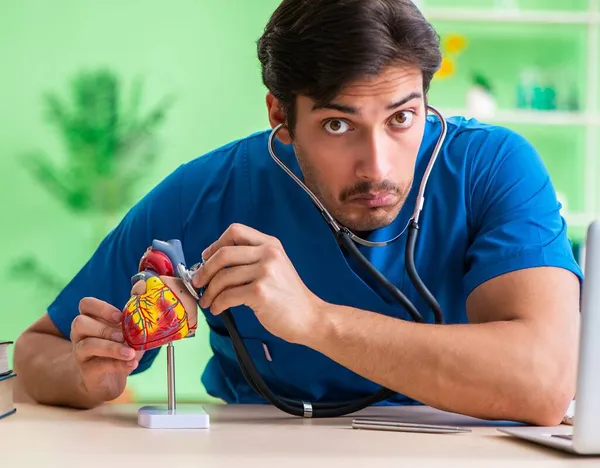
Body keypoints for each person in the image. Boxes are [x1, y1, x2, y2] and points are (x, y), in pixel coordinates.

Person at [13, 0, 582, 426]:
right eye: (338, 125)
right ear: (280, 116)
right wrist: (90, 377)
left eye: (402, 118)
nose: (376, 166)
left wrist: (314, 320)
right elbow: (39, 351)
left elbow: (542, 382)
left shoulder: (492, 167)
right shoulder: (211, 192)